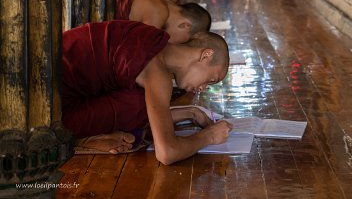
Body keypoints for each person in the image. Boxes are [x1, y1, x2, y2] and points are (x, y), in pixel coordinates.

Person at [62, 20, 231, 165]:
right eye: (211, 80)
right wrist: (209, 136)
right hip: (51, 110)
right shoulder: (158, 74)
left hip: (54, 83)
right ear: (206, 55)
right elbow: (167, 153)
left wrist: (191, 112)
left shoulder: (154, 38)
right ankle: (81, 141)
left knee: (138, 101)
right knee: (138, 103)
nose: (203, 88)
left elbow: (153, 112)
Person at [116, 0, 211, 44]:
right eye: (183, 42)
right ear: (185, 25)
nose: (172, 43)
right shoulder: (159, 12)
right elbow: (134, 56)